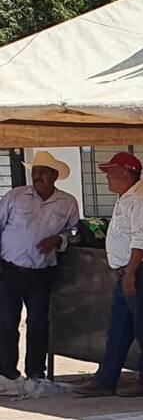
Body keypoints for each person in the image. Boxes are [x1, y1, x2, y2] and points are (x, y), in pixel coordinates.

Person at [78, 152, 143, 398]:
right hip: (127, 271)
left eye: (112, 172)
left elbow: (141, 239)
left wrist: (130, 274)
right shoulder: (126, 198)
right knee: (118, 328)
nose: (107, 177)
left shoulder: (141, 200)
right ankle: (106, 379)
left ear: (127, 173)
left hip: (139, 271)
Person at [0, 151, 78, 381]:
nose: (37, 176)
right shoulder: (15, 196)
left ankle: (35, 372)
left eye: (43, 172)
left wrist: (59, 239)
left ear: (55, 175)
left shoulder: (68, 202)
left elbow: (75, 232)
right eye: (35, 171)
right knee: (6, 321)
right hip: (9, 269)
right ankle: (6, 371)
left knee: (38, 323)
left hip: (41, 273)